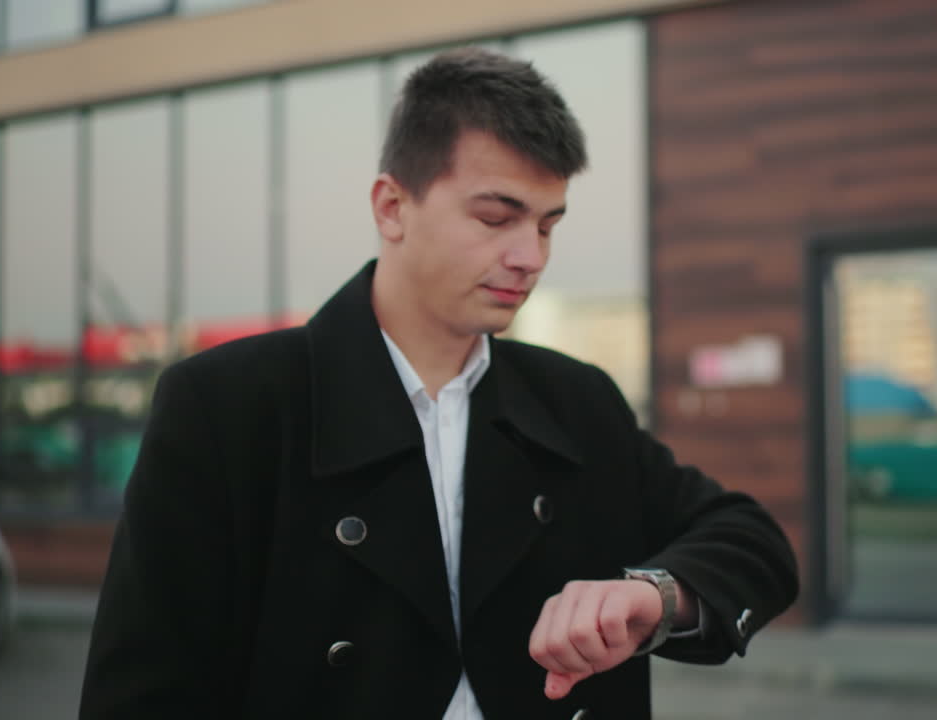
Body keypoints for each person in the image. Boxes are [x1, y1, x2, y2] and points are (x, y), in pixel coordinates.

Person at [79, 47, 798, 720]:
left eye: (548, 225)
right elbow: (143, 697)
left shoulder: (576, 403)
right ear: (392, 207)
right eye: (496, 217)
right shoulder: (228, 406)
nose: (529, 256)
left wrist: (654, 597)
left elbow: (751, 539)